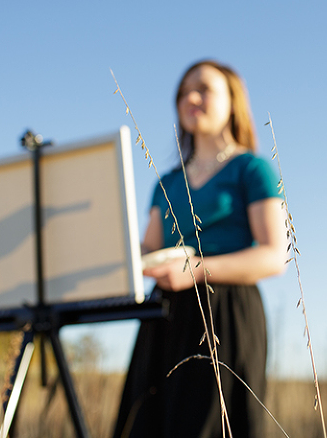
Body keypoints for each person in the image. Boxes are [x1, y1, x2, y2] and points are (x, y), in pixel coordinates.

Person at [113, 60, 287, 438]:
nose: (190, 98)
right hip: (164, 316)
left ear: (233, 101)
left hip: (226, 314)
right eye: (183, 92)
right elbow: (147, 249)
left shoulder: (252, 169)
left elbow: (275, 256)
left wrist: (197, 270)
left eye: (204, 89)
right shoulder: (166, 182)